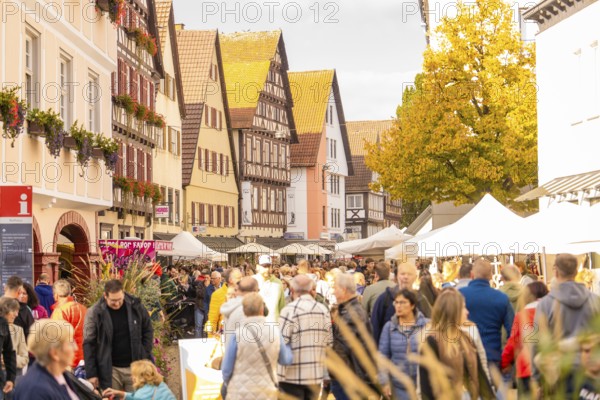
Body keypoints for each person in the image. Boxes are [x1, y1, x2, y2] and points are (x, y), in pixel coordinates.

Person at [419, 289, 495, 400]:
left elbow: (480, 374)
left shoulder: (467, 338)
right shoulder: (432, 341)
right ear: (453, 311)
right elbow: (425, 385)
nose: (467, 312)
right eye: (463, 307)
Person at [83, 279, 153, 392]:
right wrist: (91, 373)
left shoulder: (136, 306)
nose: (117, 303)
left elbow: (148, 330)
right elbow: (88, 343)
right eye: (113, 301)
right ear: (105, 296)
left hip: (135, 367)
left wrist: (144, 352)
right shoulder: (94, 313)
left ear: (123, 293)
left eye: (120, 299)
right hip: (110, 370)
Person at [221, 293, 293, 399]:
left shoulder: (237, 334)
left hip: (239, 392)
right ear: (262, 309)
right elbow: (285, 360)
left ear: (244, 311)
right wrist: (290, 346)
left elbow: (226, 369)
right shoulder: (275, 332)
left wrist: (229, 383)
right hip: (267, 391)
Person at [14, 319, 100, 400]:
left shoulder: (60, 375)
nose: (76, 348)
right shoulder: (36, 390)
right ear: (54, 353)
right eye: (70, 343)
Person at [278, 275, 332, 399]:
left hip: (291, 375)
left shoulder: (289, 310)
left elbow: (281, 342)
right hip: (315, 374)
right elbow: (328, 343)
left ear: (292, 290)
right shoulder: (323, 310)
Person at [459, 258, 514, 372]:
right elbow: (513, 332)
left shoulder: (460, 295)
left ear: (472, 274)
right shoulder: (501, 298)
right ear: (491, 276)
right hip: (493, 356)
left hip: (466, 355)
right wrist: (507, 360)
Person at [330, 273, 380, 400]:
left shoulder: (352, 314)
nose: (333, 292)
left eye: (335, 288)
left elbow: (343, 349)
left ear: (343, 290)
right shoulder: (352, 310)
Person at [378, 289, 428, 400]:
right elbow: (382, 356)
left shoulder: (426, 325)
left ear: (412, 305)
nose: (398, 306)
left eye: (403, 302)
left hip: (422, 386)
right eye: (396, 302)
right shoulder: (390, 327)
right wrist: (384, 381)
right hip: (399, 387)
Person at [501, 281, 549, 396]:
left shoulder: (522, 315)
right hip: (548, 367)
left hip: (526, 367)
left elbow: (514, 342)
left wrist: (504, 362)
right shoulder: (551, 311)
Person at [371, 262, 432, 344]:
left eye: (409, 274)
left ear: (415, 277)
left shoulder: (421, 299)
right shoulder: (385, 298)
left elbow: (431, 325)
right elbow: (375, 326)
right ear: (397, 276)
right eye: (402, 274)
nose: (406, 277)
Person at [50, 280, 88, 369]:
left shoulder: (59, 311)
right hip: (84, 358)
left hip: (67, 361)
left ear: (55, 295)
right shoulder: (83, 308)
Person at [102, 360, 176, 400]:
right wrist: (119, 393)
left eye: (133, 374)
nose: (131, 377)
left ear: (139, 377)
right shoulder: (160, 385)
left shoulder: (140, 395)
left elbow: (139, 397)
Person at [207, 268, 242, 336]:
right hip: (226, 338)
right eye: (239, 278)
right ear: (231, 280)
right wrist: (211, 341)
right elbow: (212, 320)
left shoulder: (244, 292)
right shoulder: (217, 295)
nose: (242, 279)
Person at [0, 298, 28, 381]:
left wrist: (9, 359)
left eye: (17, 311)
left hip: (14, 375)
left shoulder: (19, 330)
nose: (16, 315)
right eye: (13, 311)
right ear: (4, 310)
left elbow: (25, 358)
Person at [254, 255, 286, 324]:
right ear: (257, 267)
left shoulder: (278, 283)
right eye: (264, 266)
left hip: (274, 327)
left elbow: (282, 306)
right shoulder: (252, 281)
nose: (267, 269)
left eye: (269, 266)